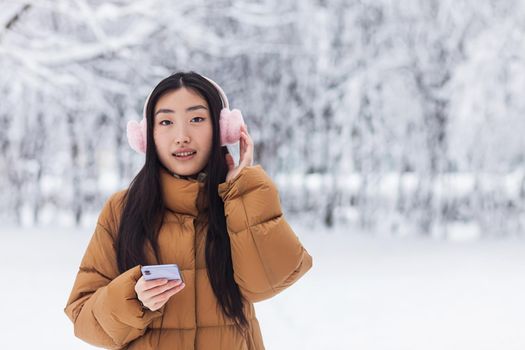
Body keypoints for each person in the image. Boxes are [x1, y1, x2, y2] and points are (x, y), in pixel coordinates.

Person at [64, 71, 313, 350]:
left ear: (222, 129)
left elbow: (266, 283)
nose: (182, 136)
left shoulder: (240, 201)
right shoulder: (122, 210)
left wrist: (242, 191)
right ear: (148, 136)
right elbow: (83, 318)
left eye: (196, 119)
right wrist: (133, 299)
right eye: (166, 122)